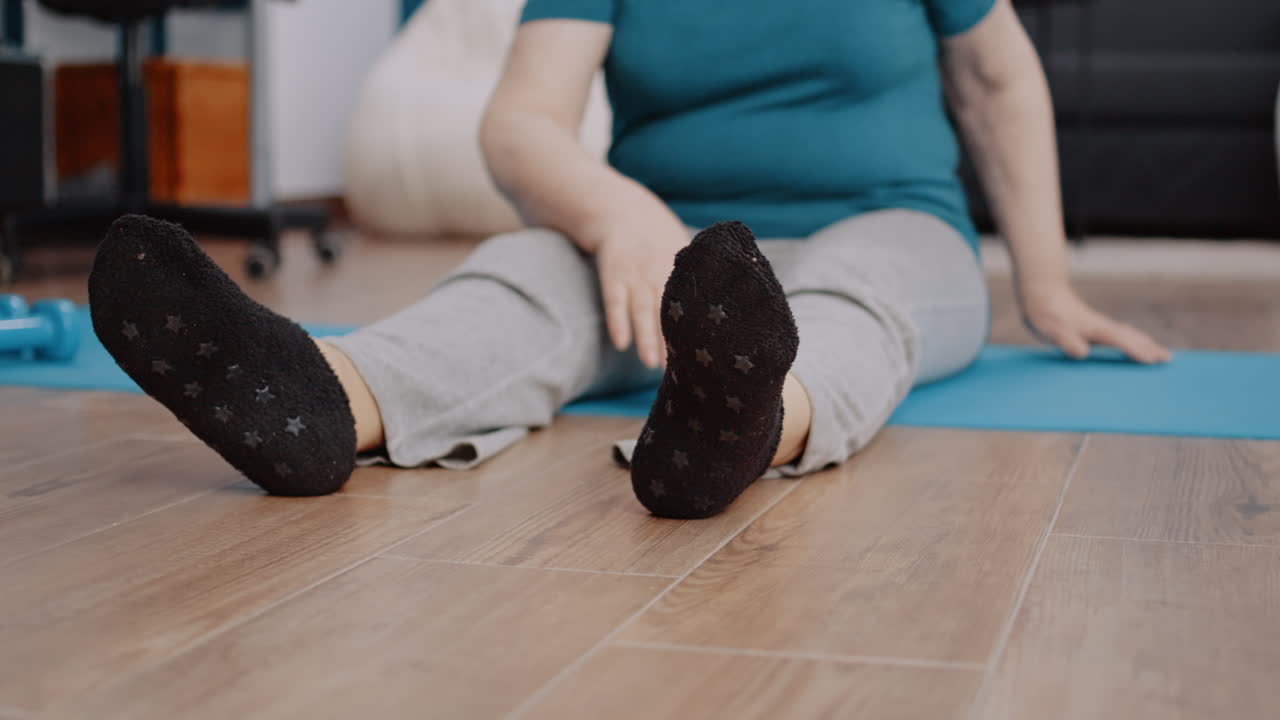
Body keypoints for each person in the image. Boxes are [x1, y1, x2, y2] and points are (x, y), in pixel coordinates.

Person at [88, 0, 1170, 519]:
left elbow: (996, 81)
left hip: (889, 220)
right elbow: (522, 124)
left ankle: (744, 419)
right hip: (674, 252)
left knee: (858, 297)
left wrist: (1043, 283)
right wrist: (614, 215)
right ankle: (322, 399)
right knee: (527, 276)